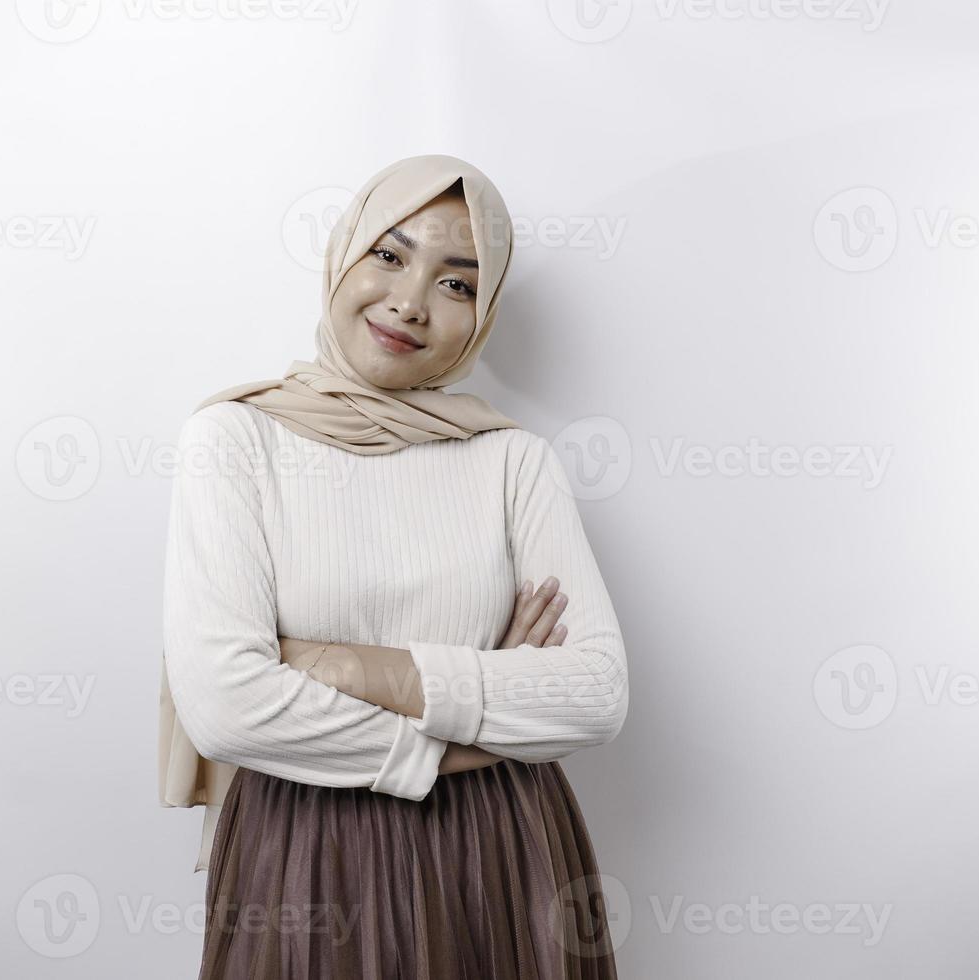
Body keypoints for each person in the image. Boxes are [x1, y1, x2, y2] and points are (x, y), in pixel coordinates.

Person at [160, 153, 629, 978]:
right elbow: (227, 707)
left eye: (457, 284)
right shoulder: (236, 439)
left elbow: (594, 695)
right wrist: (471, 720)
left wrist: (331, 663)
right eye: (389, 254)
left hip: (500, 847)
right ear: (344, 255)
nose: (410, 302)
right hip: (304, 855)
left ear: (480, 315)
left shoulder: (511, 460)